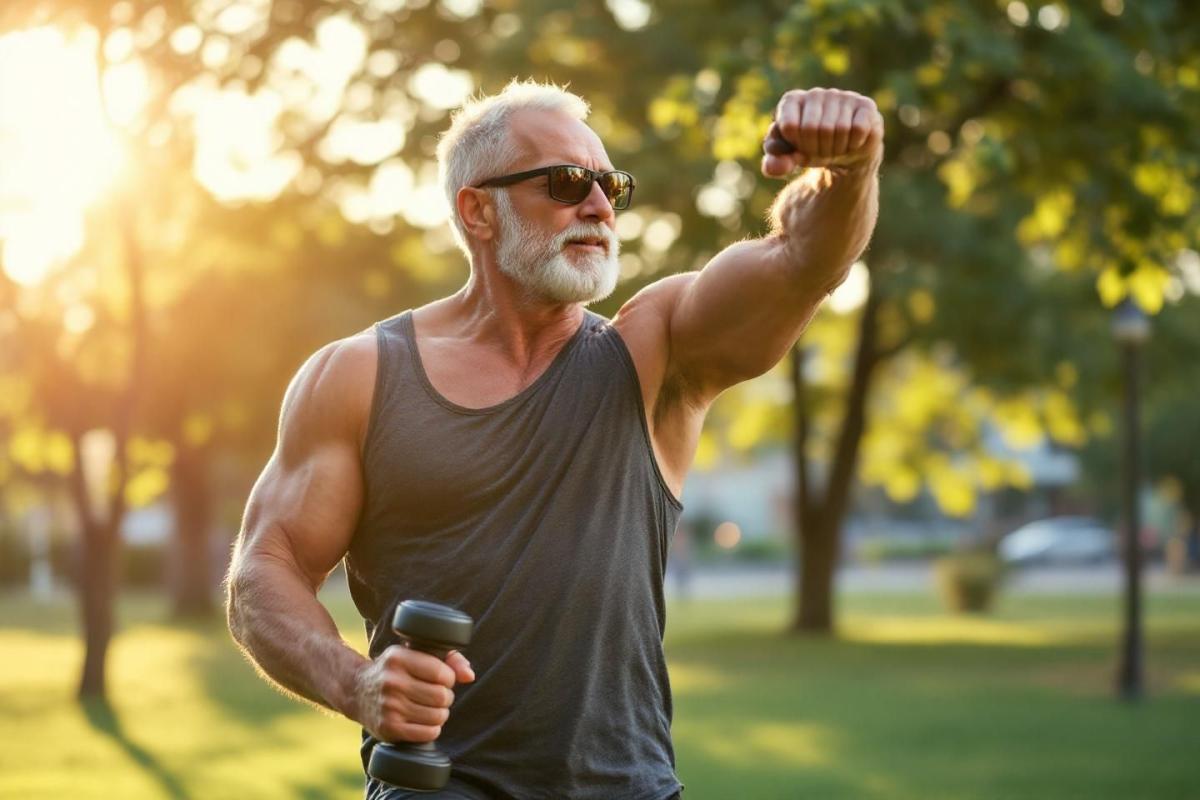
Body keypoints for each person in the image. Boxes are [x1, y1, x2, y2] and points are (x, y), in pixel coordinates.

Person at [225, 78, 883, 800]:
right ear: (478, 210)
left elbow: (801, 261)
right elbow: (265, 572)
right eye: (567, 183)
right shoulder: (359, 376)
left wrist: (848, 170)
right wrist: (357, 684)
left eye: (611, 186)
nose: (599, 206)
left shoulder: (656, 353)